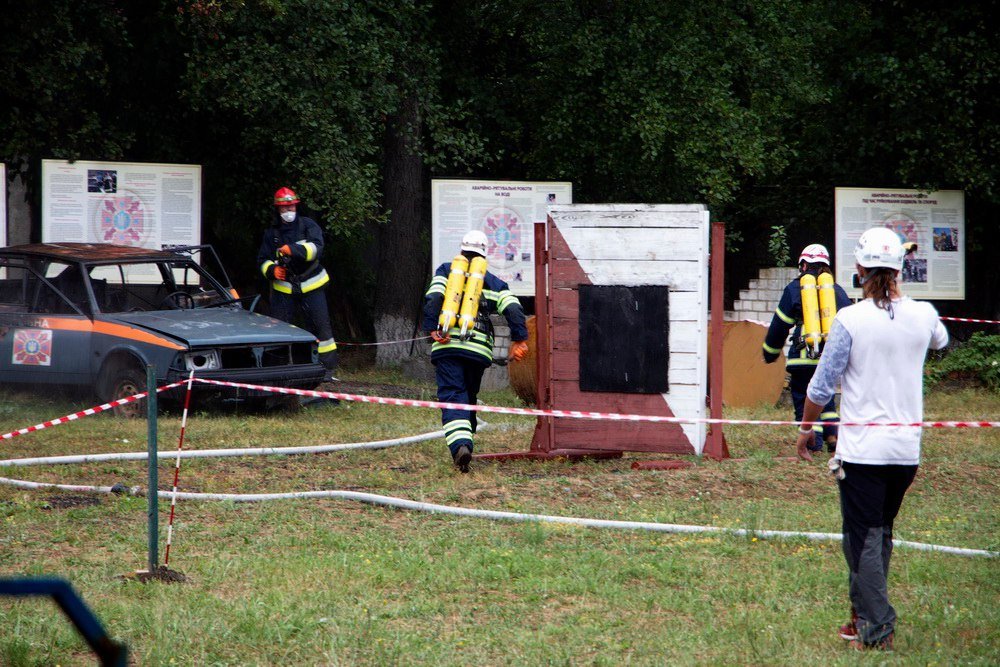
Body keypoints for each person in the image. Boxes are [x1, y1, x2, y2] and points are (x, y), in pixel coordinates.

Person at [796, 227, 948, 651]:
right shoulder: (924, 314)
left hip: (863, 452)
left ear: (859, 269)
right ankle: (860, 617)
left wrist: (806, 429)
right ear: (901, 268)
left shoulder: (850, 319)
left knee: (861, 541)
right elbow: (942, 341)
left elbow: (821, 386)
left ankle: (877, 627)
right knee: (877, 535)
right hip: (905, 452)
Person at [421, 230, 529, 472]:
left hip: (448, 346)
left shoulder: (445, 271)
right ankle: (466, 446)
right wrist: (519, 339)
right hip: (478, 351)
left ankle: (461, 445)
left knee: (452, 394)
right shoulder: (493, 282)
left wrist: (431, 328)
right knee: (468, 397)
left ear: (461, 250)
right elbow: (513, 309)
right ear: (484, 253)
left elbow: (434, 298)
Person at [762, 243, 852, 453]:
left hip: (802, 358)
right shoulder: (836, 291)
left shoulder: (794, 289)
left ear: (803, 265)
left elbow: (779, 325)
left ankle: (814, 443)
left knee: (804, 397)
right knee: (826, 395)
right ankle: (833, 435)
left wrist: (770, 352)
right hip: (828, 357)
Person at [257, 186, 338, 380]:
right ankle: (278, 370)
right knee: (280, 330)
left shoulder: (308, 225)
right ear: (278, 210)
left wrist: (292, 249)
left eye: (291, 207)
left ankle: (327, 371)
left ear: (296, 206)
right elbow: (262, 260)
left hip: (312, 284)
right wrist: (271, 270)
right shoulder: (272, 234)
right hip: (283, 289)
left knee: (321, 328)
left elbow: (317, 248)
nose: (288, 212)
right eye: (284, 209)